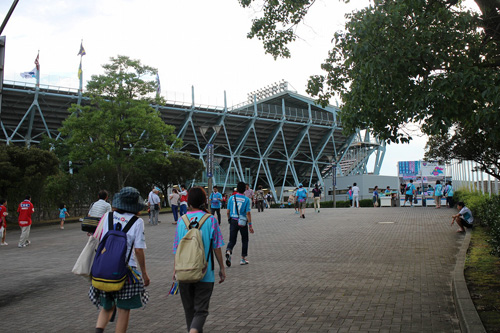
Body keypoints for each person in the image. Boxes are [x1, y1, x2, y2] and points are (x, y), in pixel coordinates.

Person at [90, 187, 150, 333]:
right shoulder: (137, 222)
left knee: (106, 307)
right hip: (126, 271)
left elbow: (99, 239)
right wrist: (144, 273)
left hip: (104, 268)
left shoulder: (107, 217)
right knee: (123, 310)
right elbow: (138, 250)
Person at [173, 187, 226, 333]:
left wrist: (175, 269)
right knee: (201, 311)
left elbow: (177, 248)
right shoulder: (211, 220)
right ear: (204, 201)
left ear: (188, 201)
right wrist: (222, 268)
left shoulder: (181, 220)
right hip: (205, 273)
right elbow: (217, 247)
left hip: (184, 272)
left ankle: (193, 329)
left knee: (189, 311)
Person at [226, 181, 254, 266]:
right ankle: (243, 258)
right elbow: (248, 213)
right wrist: (250, 225)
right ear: (245, 190)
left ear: (237, 189)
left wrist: (229, 219)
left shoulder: (231, 198)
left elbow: (228, 211)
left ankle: (228, 250)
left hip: (233, 221)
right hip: (242, 222)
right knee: (244, 240)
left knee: (232, 240)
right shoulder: (246, 200)